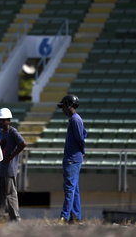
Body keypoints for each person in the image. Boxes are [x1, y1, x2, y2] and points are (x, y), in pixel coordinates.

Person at [57, 94, 87, 224]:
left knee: (69, 189)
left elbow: (81, 138)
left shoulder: (75, 120)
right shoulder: (75, 119)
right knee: (74, 189)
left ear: (69, 105)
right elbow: (84, 134)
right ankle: (76, 217)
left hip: (72, 159)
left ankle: (64, 217)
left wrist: (82, 150)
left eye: (63, 106)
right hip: (73, 158)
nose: (62, 109)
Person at [0, 108, 26, 221]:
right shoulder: (1, 133)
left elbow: (23, 144)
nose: (1, 122)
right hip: (2, 169)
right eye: (0, 120)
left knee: (10, 194)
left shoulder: (12, 131)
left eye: (3, 120)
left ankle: (15, 217)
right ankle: (2, 215)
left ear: (8, 120)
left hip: (9, 169)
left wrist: (11, 156)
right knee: (2, 194)